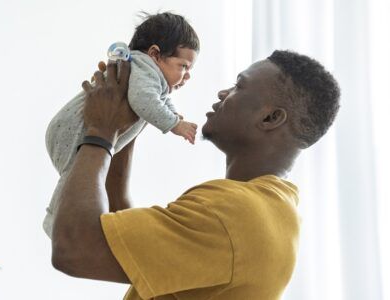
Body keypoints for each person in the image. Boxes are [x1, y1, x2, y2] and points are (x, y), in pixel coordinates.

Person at [50, 50, 340, 299]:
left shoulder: (232, 213)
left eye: (239, 86)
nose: (223, 93)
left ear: (270, 118)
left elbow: (75, 247)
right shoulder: (271, 210)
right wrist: (132, 120)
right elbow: (122, 234)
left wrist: (101, 131)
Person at [43, 12, 199, 237]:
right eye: (183, 66)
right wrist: (174, 124)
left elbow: (161, 100)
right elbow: (144, 100)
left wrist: (175, 116)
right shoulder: (143, 70)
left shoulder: (151, 76)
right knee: (73, 177)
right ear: (155, 54)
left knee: (85, 180)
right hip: (73, 130)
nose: (187, 76)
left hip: (83, 133)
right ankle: (54, 220)